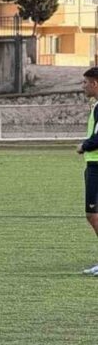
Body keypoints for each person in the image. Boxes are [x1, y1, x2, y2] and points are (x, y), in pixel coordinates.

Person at [77, 67, 98, 274]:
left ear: (95, 83)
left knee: (92, 214)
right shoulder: (96, 106)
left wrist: (84, 146)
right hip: (93, 165)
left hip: (97, 166)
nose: (83, 86)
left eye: (85, 83)